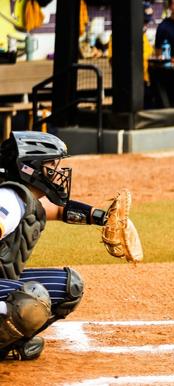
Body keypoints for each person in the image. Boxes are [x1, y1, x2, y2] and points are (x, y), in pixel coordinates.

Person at [0, 132, 118, 360]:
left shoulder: (24, 199)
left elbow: (58, 210)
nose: (58, 173)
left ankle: (8, 344)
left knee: (68, 286)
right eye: (51, 165)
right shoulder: (7, 200)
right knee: (32, 300)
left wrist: (104, 218)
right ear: (30, 167)